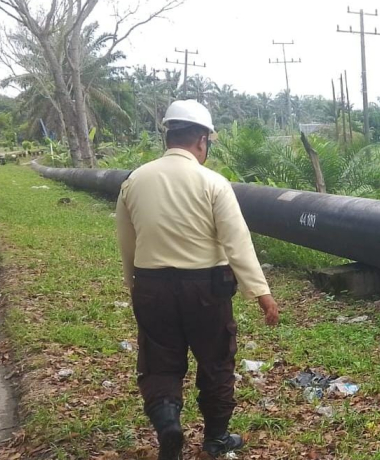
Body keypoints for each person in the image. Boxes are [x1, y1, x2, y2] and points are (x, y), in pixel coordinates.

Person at [116, 99, 279, 460]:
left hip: (151, 285)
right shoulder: (213, 183)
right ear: (202, 140)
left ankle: (168, 425)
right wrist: (261, 293)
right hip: (207, 289)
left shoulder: (135, 181)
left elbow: (128, 242)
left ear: (169, 136)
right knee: (216, 360)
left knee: (158, 360)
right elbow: (237, 243)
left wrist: (135, 285)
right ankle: (215, 439)